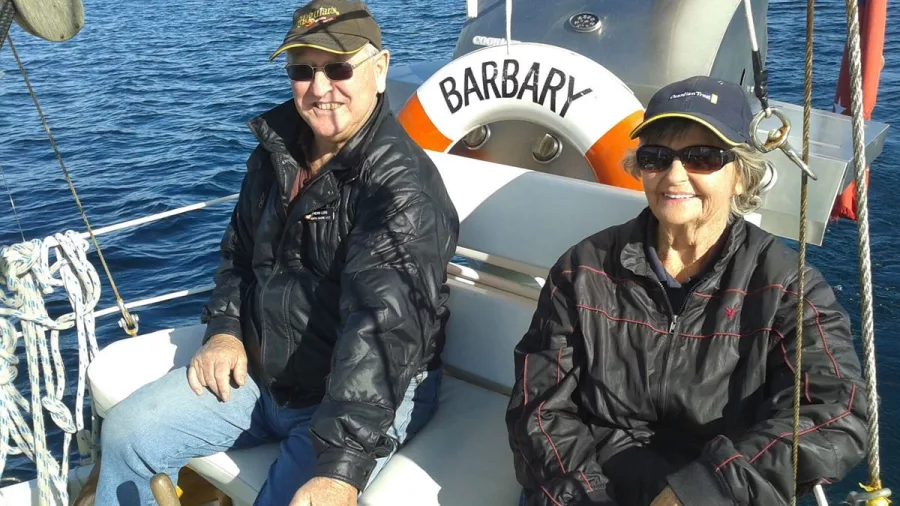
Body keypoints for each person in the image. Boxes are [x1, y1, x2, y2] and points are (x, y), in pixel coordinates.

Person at [94, 1, 459, 504]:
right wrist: (225, 331)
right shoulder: (276, 154)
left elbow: (382, 331)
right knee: (127, 434)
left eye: (338, 68)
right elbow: (238, 255)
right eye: (302, 70)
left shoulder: (401, 189)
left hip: (359, 398)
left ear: (380, 70)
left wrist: (341, 468)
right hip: (265, 376)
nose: (320, 88)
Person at [506, 76, 867, 506]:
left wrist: (702, 492)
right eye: (656, 157)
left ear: (741, 176)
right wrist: (584, 495)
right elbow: (540, 404)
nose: (674, 176)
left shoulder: (786, 287)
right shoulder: (583, 270)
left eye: (703, 157)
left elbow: (836, 412)